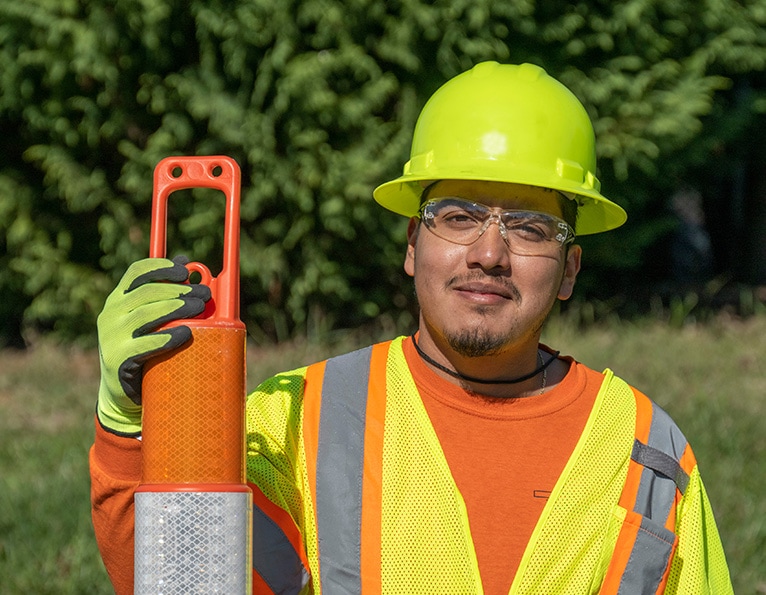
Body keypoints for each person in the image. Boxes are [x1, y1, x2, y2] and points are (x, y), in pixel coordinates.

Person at [90, 61, 733, 594]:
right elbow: (181, 583)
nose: (489, 253)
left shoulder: (650, 452)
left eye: (531, 228)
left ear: (569, 269)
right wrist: (132, 435)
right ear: (410, 245)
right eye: (457, 217)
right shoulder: (296, 424)